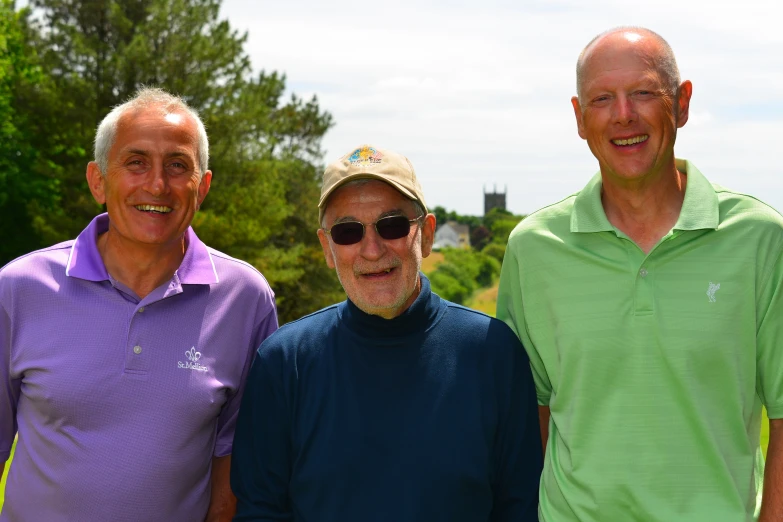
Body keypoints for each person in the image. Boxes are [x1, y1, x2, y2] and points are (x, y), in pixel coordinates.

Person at [497, 26, 783, 521]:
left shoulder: (761, 239)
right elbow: (530, 419)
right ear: (580, 118)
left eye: (644, 93)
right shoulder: (533, 249)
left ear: (682, 102)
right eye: (602, 98)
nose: (623, 114)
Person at [0, 88, 278, 522]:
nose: (156, 184)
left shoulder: (246, 299)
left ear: (202, 187)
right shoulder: (18, 288)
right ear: (98, 181)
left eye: (177, 166)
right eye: (135, 162)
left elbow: (234, 461)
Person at [230, 144, 543, 521]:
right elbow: (259, 511)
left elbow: (520, 506)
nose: (372, 249)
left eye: (391, 225)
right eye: (347, 232)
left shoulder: (493, 352)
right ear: (327, 248)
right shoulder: (284, 363)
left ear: (426, 235)